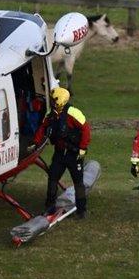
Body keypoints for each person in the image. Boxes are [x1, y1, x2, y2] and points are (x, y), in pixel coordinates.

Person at [33, 87, 91, 219]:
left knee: (78, 182)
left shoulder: (74, 113)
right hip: (59, 153)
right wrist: (36, 142)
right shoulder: (51, 114)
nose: (52, 102)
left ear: (60, 101)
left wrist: (82, 149)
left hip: (74, 155)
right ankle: (49, 208)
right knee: (53, 178)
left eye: (54, 100)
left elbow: (86, 130)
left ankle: (82, 210)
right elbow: (43, 127)